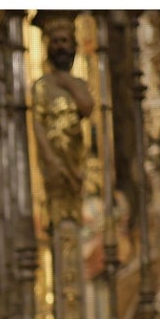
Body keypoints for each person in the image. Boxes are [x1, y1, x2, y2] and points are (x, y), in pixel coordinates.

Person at [31, 12, 94, 226]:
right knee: (58, 211)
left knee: (74, 206)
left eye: (64, 41)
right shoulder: (42, 85)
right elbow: (38, 123)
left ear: (74, 46)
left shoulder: (78, 83)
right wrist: (49, 157)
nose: (60, 47)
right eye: (55, 41)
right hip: (54, 158)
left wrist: (66, 82)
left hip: (75, 154)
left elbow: (87, 108)